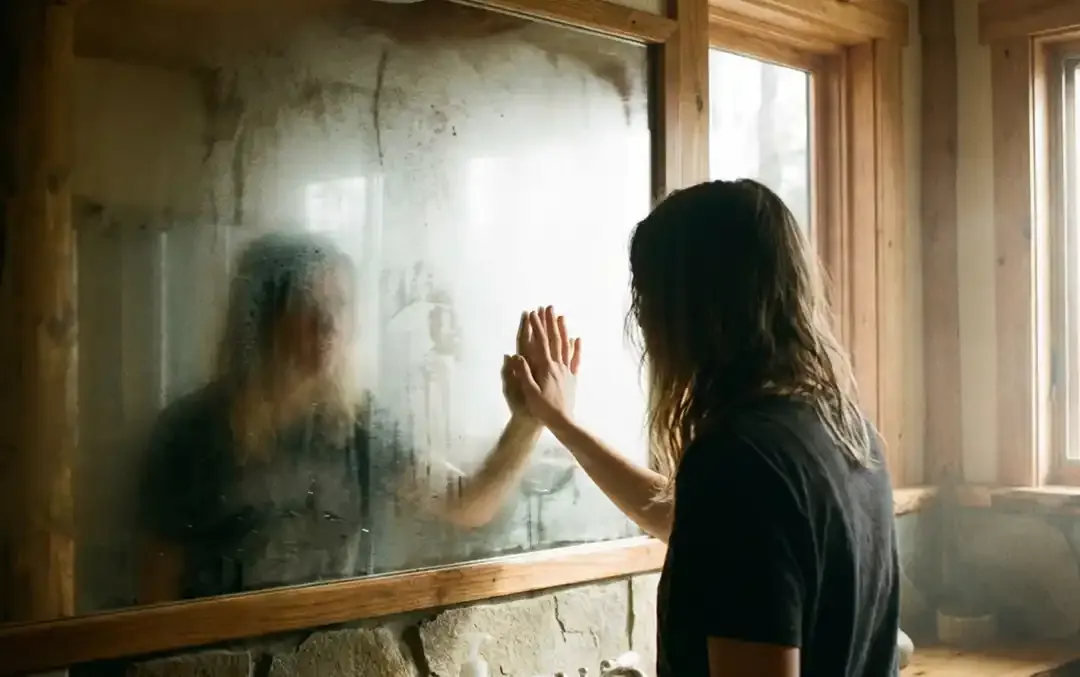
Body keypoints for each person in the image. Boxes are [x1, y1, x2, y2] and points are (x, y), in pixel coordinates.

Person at [504, 180, 899, 677]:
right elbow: (688, 521)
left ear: (691, 308)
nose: (641, 320)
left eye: (645, 297)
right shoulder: (843, 431)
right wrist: (561, 422)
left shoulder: (739, 463)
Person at [137, 231, 543, 602]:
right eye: (308, 304)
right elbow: (157, 594)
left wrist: (530, 418)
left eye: (340, 304)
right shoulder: (191, 431)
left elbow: (465, 503)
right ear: (263, 319)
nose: (328, 323)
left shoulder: (362, 423)